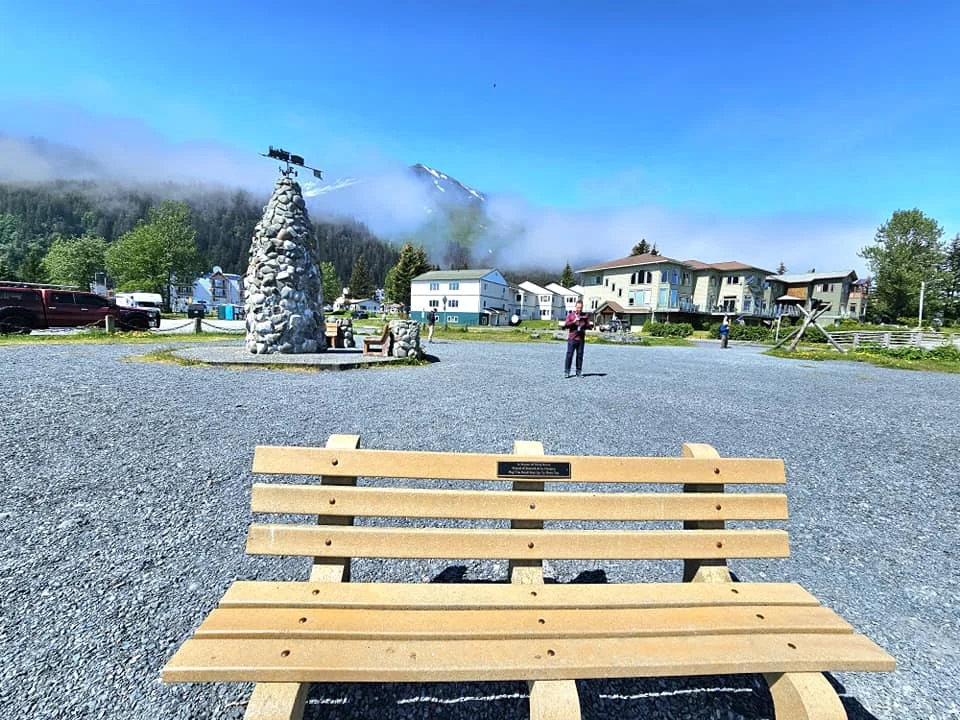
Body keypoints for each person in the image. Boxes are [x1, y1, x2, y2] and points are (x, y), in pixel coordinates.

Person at [562, 301, 592, 377]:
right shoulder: (571, 315)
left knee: (580, 355)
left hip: (581, 338)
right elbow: (566, 325)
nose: (579, 309)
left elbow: (589, 326)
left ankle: (578, 371)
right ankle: (567, 371)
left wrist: (586, 324)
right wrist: (573, 321)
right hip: (572, 338)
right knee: (569, 355)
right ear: (575, 307)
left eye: (581, 307)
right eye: (578, 307)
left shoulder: (585, 315)